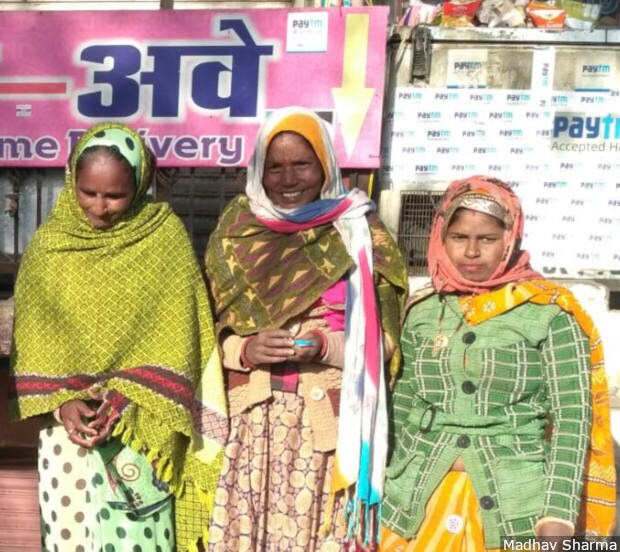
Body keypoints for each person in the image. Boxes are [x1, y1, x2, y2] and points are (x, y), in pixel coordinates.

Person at [8, 122, 228, 552]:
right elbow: (33, 342)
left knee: (141, 540)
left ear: (141, 184)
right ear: (73, 180)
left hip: (141, 430)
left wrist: (129, 399)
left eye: (115, 195)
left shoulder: (164, 239)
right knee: (69, 539)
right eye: (89, 192)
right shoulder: (50, 246)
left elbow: (181, 336)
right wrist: (61, 404)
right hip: (68, 437)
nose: (100, 206)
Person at [204, 107, 408, 551]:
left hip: (335, 429)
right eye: (274, 167)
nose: (287, 178)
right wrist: (245, 350)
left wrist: (325, 345)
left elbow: (388, 340)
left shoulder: (361, 232)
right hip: (254, 429)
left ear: (326, 166)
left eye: (302, 164)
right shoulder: (234, 234)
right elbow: (205, 333)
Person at [380, 175, 616, 551]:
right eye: (459, 238)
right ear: (440, 237)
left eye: (487, 239)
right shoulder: (424, 311)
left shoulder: (549, 313)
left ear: (510, 239)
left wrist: (558, 514)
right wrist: (381, 483)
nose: (471, 252)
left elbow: (572, 417)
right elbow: (402, 405)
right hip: (413, 502)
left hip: (516, 505)